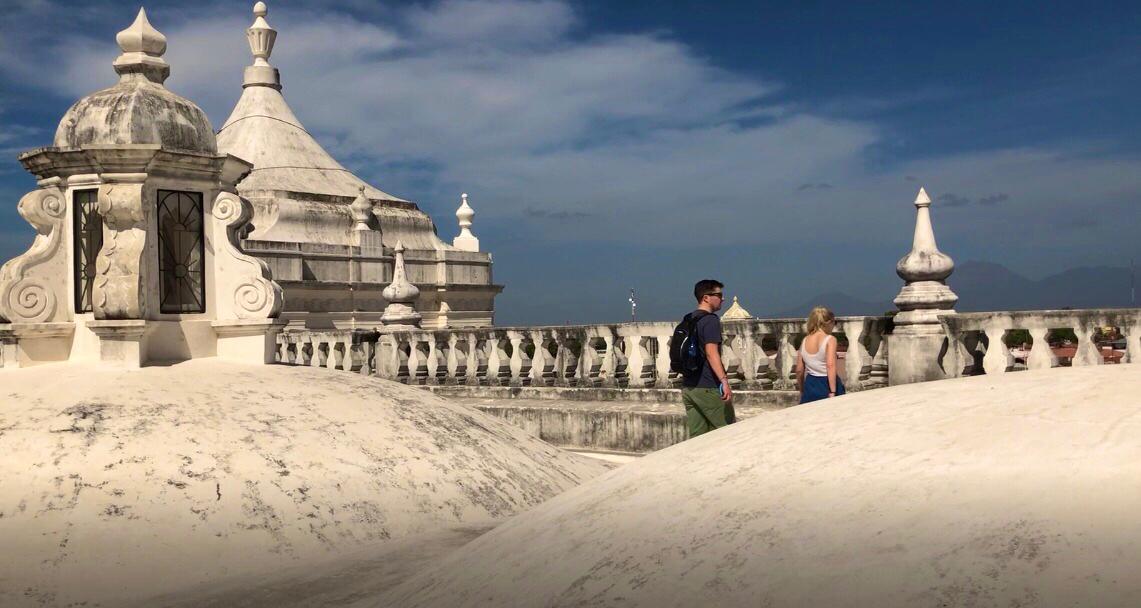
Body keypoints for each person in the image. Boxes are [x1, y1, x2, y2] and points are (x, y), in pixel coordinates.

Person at [681, 279, 735, 438]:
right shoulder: (710, 320)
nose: (723, 298)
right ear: (706, 297)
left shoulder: (688, 319)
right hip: (708, 386)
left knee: (698, 438)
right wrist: (724, 381)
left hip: (689, 388)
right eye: (719, 295)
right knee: (728, 434)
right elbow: (711, 353)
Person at [796, 306, 845, 403]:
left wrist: (801, 389)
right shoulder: (830, 340)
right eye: (834, 323)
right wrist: (832, 391)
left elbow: (799, 370)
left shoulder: (804, 340)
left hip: (810, 384)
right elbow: (830, 366)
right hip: (826, 383)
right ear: (828, 322)